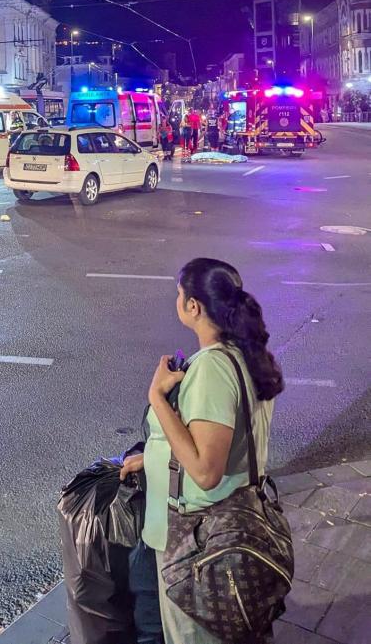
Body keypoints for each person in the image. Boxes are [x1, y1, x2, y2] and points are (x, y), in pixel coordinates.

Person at [120, 258, 284, 644]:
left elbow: (207, 470)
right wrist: (155, 457)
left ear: (193, 306)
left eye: (179, 294)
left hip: (201, 538)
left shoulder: (213, 368)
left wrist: (157, 397)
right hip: (234, 521)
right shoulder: (247, 354)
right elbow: (217, 442)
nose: (177, 301)